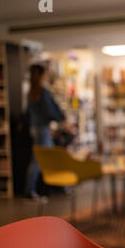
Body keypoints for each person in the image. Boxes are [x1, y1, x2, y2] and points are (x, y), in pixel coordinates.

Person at [24, 64, 74, 200]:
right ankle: (30, 192)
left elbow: (28, 113)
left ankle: (62, 185)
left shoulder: (31, 92)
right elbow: (50, 110)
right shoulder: (42, 91)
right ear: (41, 75)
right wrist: (63, 121)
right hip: (42, 129)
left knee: (47, 158)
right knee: (42, 160)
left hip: (35, 128)